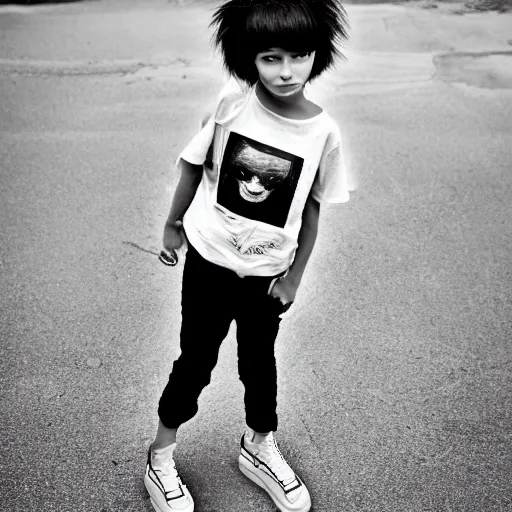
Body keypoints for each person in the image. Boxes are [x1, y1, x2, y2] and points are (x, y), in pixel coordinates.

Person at [144, 1, 351, 511]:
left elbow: (314, 211)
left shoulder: (324, 133)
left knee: (260, 365)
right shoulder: (231, 106)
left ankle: (259, 446)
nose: (286, 71)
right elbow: (194, 165)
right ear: (247, 59)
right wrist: (173, 224)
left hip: (267, 277)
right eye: (270, 58)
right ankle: (160, 454)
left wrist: (294, 280)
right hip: (210, 263)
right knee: (196, 359)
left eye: (299, 56)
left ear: (317, 55)